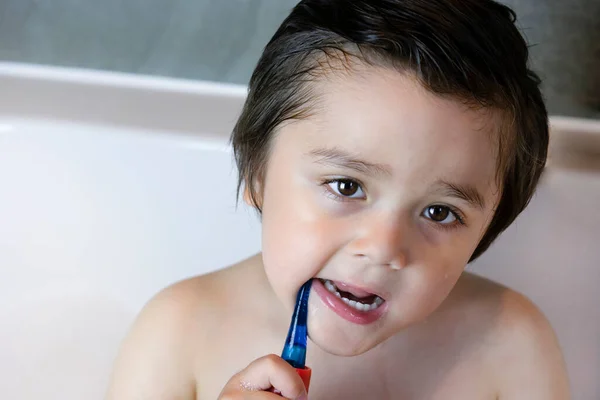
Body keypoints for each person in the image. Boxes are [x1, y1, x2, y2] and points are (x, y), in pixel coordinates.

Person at [106, 0, 570, 398]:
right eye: (346, 186)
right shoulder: (178, 334)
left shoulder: (511, 346)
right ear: (256, 172)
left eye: (439, 212)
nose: (385, 247)